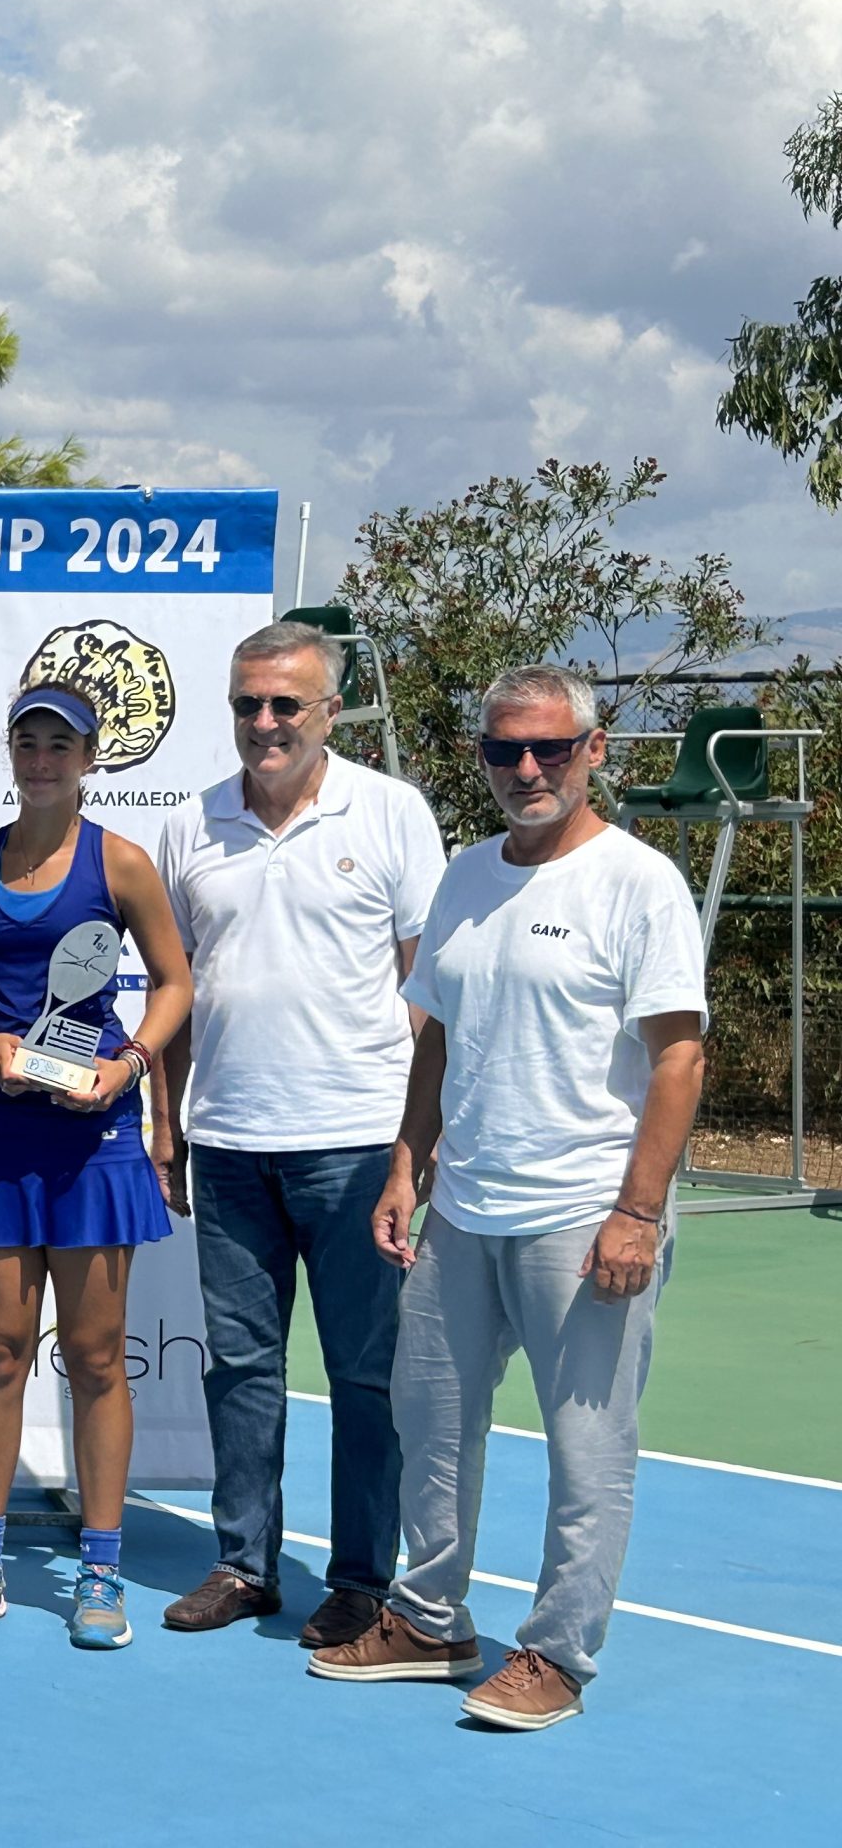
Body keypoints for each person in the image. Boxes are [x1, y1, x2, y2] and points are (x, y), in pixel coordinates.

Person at [311, 664, 706, 1731]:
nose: (524, 769)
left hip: (584, 1216)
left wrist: (636, 1211)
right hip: (462, 1211)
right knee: (431, 1424)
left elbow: (678, 1061)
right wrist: (407, 1164)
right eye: (502, 750)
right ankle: (430, 1620)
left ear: (594, 751)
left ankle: (558, 1655)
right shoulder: (464, 877)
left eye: (547, 748)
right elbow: (433, 1029)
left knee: (587, 1450)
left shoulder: (638, 883)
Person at [152, 620, 446, 1647]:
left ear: (329, 711)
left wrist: (413, 1145)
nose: (264, 723)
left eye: (286, 704)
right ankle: (244, 1565)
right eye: (247, 705)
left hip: (360, 1147)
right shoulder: (190, 826)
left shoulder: (394, 812)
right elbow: (174, 996)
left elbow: (432, 994)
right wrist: (168, 1122)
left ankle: (363, 1581)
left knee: (369, 1376)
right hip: (228, 1144)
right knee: (238, 1368)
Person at [0, 681, 193, 1650]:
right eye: (28, 743)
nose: (42, 760)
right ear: (11, 752)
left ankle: (100, 1567)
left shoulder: (120, 863)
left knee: (91, 1357)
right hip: (3, 1135)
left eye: (60, 746)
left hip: (97, 1138)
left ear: (89, 759)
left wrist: (127, 1066)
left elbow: (173, 982)